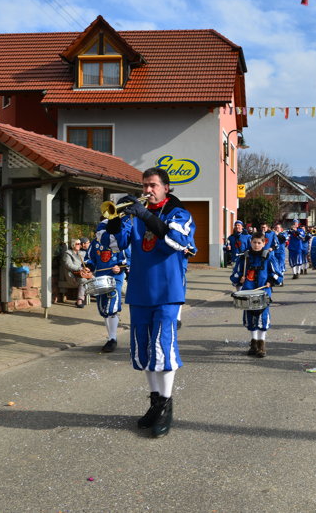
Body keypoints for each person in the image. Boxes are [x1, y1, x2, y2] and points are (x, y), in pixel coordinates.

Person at [111, 167, 195, 438]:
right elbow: (119, 244)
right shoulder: (135, 214)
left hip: (168, 292)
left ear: (166, 188)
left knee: (163, 347)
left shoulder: (179, 213)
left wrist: (144, 214)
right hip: (139, 291)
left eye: (152, 185)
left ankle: (167, 406)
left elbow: (176, 240)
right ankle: (155, 402)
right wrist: (114, 222)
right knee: (143, 350)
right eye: (144, 185)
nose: (147, 190)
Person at [230, 231, 283, 357]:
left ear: (264, 243)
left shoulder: (269, 256)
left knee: (262, 318)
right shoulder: (245, 257)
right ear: (250, 242)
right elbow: (235, 274)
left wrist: (271, 281)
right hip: (248, 292)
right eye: (254, 242)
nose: (256, 245)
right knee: (250, 318)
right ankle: (253, 344)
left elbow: (277, 274)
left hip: (263, 292)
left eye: (259, 243)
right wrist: (239, 279)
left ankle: (261, 345)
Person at [83, 220, 129, 353]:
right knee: (103, 309)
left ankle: (113, 339)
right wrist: (88, 268)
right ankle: (110, 337)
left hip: (115, 278)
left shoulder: (120, 242)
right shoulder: (95, 242)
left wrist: (119, 268)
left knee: (112, 306)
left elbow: (126, 260)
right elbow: (89, 259)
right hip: (100, 278)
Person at [62, 238, 89, 308]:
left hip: (80, 274)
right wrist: (80, 268)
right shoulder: (68, 253)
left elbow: (89, 254)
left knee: (93, 278)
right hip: (71, 275)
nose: (80, 245)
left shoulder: (81, 253)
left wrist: (86, 268)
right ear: (73, 245)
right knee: (83, 280)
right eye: (78, 244)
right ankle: (79, 300)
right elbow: (68, 265)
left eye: (80, 244)